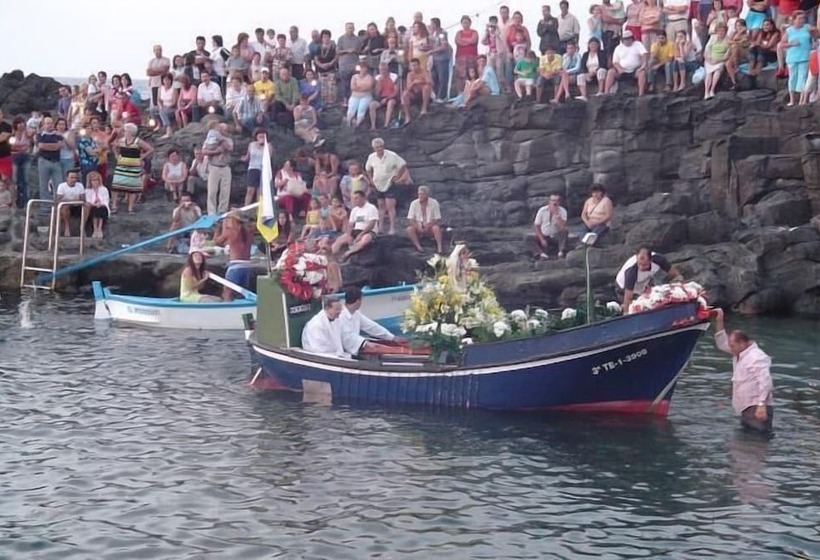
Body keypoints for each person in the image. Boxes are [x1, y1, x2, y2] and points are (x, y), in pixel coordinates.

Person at [712, 308, 775, 434]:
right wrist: (719, 321)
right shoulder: (739, 353)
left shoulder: (756, 357)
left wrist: (761, 404)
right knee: (745, 442)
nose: (730, 349)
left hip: (756, 407)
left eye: (733, 346)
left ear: (742, 343)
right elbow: (721, 344)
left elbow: (766, 382)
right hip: (745, 408)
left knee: (756, 441)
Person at [365, 137, 410, 235]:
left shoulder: (392, 155)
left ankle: (392, 228)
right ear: (374, 148)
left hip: (390, 183)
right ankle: (380, 227)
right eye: (377, 147)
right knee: (381, 205)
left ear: (383, 146)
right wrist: (370, 179)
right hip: (378, 184)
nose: (379, 149)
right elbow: (368, 169)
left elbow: (402, 165)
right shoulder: (371, 157)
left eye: (381, 147)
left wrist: (397, 177)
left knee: (390, 206)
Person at [339, 286, 400, 357]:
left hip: (356, 344)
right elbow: (347, 336)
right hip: (346, 349)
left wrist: (391, 337)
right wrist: (364, 343)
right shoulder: (340, 316)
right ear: (358, 301)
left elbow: (371, 327)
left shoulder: (356, 314)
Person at [616, 247, 683, 310]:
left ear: (651, 260)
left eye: (644, 264)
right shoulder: (631, 272)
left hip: (648, 279)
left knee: (660, 292)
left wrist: (679, 288)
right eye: (639, 264)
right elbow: (628, 299)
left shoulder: (659, 260)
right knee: (637, 306)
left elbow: (675, 274)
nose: (641, 267)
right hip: (624, 287)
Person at [110, 123, 153, 213]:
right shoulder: (121, 140)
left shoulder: (138, 141)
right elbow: (113, 145)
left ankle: (130, 207)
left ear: (130, 131)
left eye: (125, 130)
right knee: (116, 185)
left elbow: (150, 149)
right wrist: (116, 155)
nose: (124, 132)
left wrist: (141, 157)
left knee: (132, 187)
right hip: (122, 164)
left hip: (133, 165)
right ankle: (114, 206)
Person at [214, 210, 254, 300]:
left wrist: (217, 229)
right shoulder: (250, 231)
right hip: (247, 266)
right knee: (242, 293)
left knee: (227, 292)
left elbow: (216, 242)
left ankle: (226, 311)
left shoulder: (230, 232)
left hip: (235, 266)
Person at [331, 190, 379, 260]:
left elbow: (372, 224)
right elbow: (350, 224)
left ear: (363, 198)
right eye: (353, 198)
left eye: (356, 198)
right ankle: (332, 256)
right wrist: (348, 235)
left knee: (365, 239)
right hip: (356, 231)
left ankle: (349, 253)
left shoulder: (371, 208)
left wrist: (361, 234)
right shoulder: (354, 210)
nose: (354, 200)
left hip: (369, 231)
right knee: (339, 240)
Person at [604, 29, 649, 95]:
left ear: (632, 38)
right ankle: (606, 93)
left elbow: (644, 54)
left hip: (635, 70)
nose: (627, 40)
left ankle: (641, 94)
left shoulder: (638, 44)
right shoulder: (618, 48)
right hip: (622, 71)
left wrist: (642, 67)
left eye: (629, 38)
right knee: (611, 72)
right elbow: (615, 62)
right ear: (622, 40)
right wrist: (619, 69)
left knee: (642, 73)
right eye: (625, 39)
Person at [202, 122, 233, 216]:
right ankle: (211, 212)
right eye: (221, 129)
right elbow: (204, 151)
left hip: (225, 167)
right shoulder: (210, 139)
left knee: (225, 191)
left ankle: (222, 211)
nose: (222, 131)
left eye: (224, 129)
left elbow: (230, 148)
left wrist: (222, 139)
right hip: (214, 167)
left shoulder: (228, 139)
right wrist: (215, 152)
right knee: (212, 191)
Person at [406, 185, 444, 254]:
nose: (420, 196)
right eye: (419, 194)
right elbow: (410, 219)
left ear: (427, 195)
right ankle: (418, 247)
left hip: (430, 226)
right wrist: (418, 227)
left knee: (436, 228)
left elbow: (437, 218)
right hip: (419, 225)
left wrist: (428, 225)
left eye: (422, 194)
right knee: (409, 229)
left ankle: (439, 248)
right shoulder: (414, 203)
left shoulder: (434, 203)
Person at [532, 193, 569, 259]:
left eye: (556, 200)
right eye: (553, 200)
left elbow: (561, 227)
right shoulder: (542, 210)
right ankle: (541, 254)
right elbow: (536, 226)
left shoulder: (563, 211)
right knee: (528, 238)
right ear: (549, 201)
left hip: (556, 237)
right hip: (544, 236)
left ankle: (561, 252)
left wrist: (556, 214)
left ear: (559, 202)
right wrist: (542, 239)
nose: (554, 202)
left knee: (565, 231)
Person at [56, 169, 85, 237]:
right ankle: (67, 228)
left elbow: (83, 199)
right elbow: (59, 200)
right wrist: (72, 200)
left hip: (77, 206)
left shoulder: (80, 185)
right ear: (67, 178)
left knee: (86, 206)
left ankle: (82, 227)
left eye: (75, 178)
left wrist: (68, 200)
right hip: (67, 206)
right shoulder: (61, 186)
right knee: (64, 207)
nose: (74, 179)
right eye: (72, 177)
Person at [83, 171, 109, 239]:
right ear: (90, 181)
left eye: (97, 180)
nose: (95, 182)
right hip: (92, 207)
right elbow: (88, 201)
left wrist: (101, 204)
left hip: (103, 207)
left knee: (101, 209)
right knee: (95, 209)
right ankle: (95, 229)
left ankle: (99, 229)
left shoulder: (104, 189)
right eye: (93, 180)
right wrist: (94, 204)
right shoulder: (87, 190)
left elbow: (106, 201)